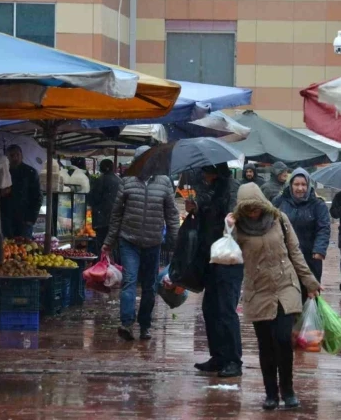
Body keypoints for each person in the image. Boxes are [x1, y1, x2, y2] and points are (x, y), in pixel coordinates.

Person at [227, 183, 321, 410]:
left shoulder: (280, 220)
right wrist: (228, 228)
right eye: (247, 209)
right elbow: (226, 253)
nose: (253, 212)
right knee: (266, 344)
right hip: (258, 289)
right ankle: (271, 393)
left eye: (256, 207)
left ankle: (288, 390)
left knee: (282, 339)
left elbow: (295, 252)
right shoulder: (238, 228)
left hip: (285, 286)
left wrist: (310, 281)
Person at [103, 146, 180, 342]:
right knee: (129, 280)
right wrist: (109, 242)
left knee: (149, 286)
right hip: (129, 240)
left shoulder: (164, 182)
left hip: (153, 242)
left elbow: (172, 214)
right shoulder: (127, 182)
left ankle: (145, 325)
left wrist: (176, 240)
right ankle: (126, 323)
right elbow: (116, 214)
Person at [188, 163, 243, 378]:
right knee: (210, 308)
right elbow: (206, 221)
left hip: (228, 258)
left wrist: (229, 218)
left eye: (206, 172)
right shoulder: (207, 190)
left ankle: (233, 360)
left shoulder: (231, 188)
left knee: (226, 310)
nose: (203, 176)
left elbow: (233, 219)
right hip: (210, 257)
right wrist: (195, 209)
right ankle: (218, 356)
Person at [273, 168, 330, 305]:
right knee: (288, 293)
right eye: (296, 184)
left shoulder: (318, 204)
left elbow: (323, 228)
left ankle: (309, 325)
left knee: (310, 293)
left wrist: (319, 250)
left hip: (310, 256)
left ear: (308, 185)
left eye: (303, 184)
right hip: (286, 257)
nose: (300, 188)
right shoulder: (280, 202)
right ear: (290, 185)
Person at [0, 145, 42, 239]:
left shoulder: (30, 172)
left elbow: (37, 197)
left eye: (17, 155)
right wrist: (1, 193)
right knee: (8, 247)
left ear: (22, 156)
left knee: (24, 248)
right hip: (6, 218)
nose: (15, 157)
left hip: (25, 219)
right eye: (11, 155)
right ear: (7, 157)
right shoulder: (2, 173)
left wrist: (31, 219)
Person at [88, 159, 121, 253]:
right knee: (114, 246)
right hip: (116, 219)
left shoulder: (100, 180)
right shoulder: (119, 180)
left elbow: (93, 199)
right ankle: (112, 264)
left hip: (102, 219)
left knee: (101, 245)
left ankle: (102, 264)